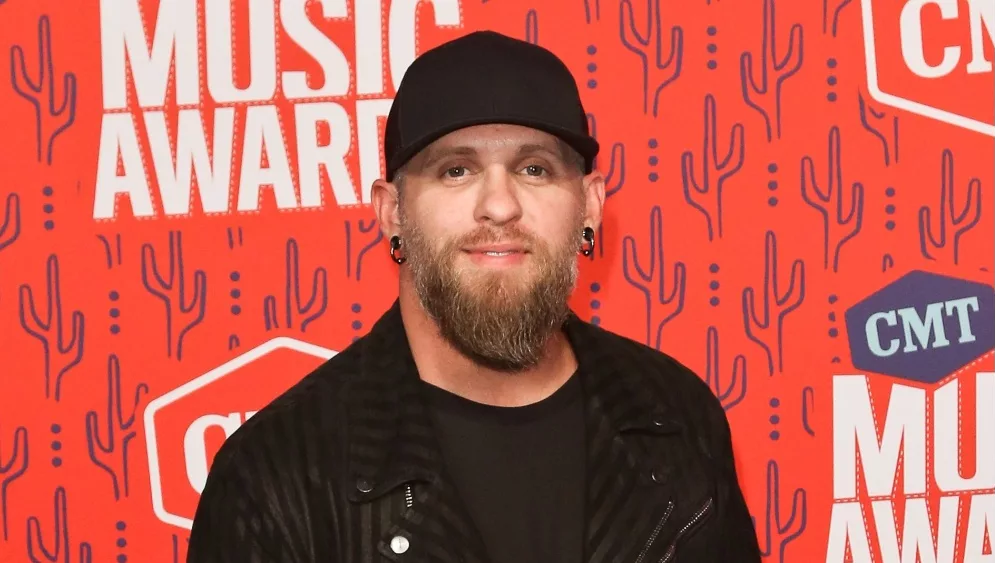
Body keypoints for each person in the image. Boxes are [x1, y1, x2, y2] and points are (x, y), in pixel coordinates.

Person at [187, 30, 761, 563]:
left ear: (589, 204)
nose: (500, 206)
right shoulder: (274, 478)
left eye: (534, 169)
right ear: (393, 214)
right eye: (456, 171)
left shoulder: (676, 416)